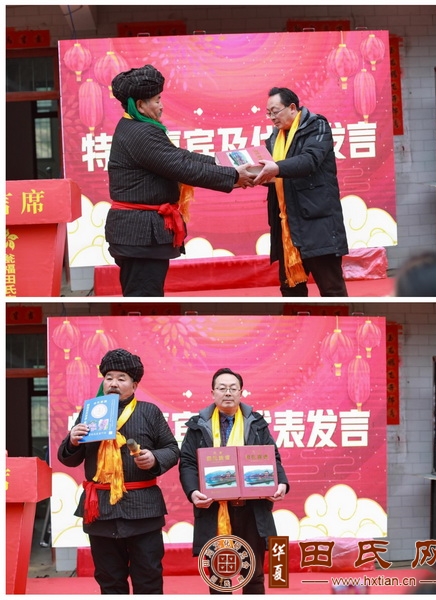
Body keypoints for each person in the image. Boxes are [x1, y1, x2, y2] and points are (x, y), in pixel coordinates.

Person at [106, 64, 255, 297]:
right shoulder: (140, 132)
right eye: (157, 100)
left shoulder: (134, 127)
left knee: (147, 297)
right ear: (140, 105)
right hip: (140, 236)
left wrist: (226, 165)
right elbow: (182, 167)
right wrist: (234, 176)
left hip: (140, 236)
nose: (161, 106)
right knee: (144, 301)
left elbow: (180, 157)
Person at [58, 348, 180, 594]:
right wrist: (72, 441)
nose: (113, 383)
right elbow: (69, 459)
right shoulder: (90, 412)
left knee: (148, 578)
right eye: (109, 377)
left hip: (142, 509)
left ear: (134, 385)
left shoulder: (149, 412)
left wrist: (154, 458)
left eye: (121, 378)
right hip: (101, 510)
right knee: (109, 580)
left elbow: (172, 449)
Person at [179, 367, 289, 594]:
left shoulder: (256, 423)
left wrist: (281, 483)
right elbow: (188, 463)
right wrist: (192, 492)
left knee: (253, 574)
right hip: (214, 509)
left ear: (241, 392)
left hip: (252, 510)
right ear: (213, 393)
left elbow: (272, 458)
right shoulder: (198, 425)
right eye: (222, 388)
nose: (227, 393)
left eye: (233, 388)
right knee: (220, 576)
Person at [253, 87, 349, 297]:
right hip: (287, 226)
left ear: (292, 107)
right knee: (290, 290)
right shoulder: (275, 138)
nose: (272, 118)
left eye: (275, 111)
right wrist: (254, 176)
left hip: (318, 225)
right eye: (268, 113)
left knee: (331, 289)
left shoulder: (317, 126)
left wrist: (276, 168)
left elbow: (309, 160)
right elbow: (277, 176)